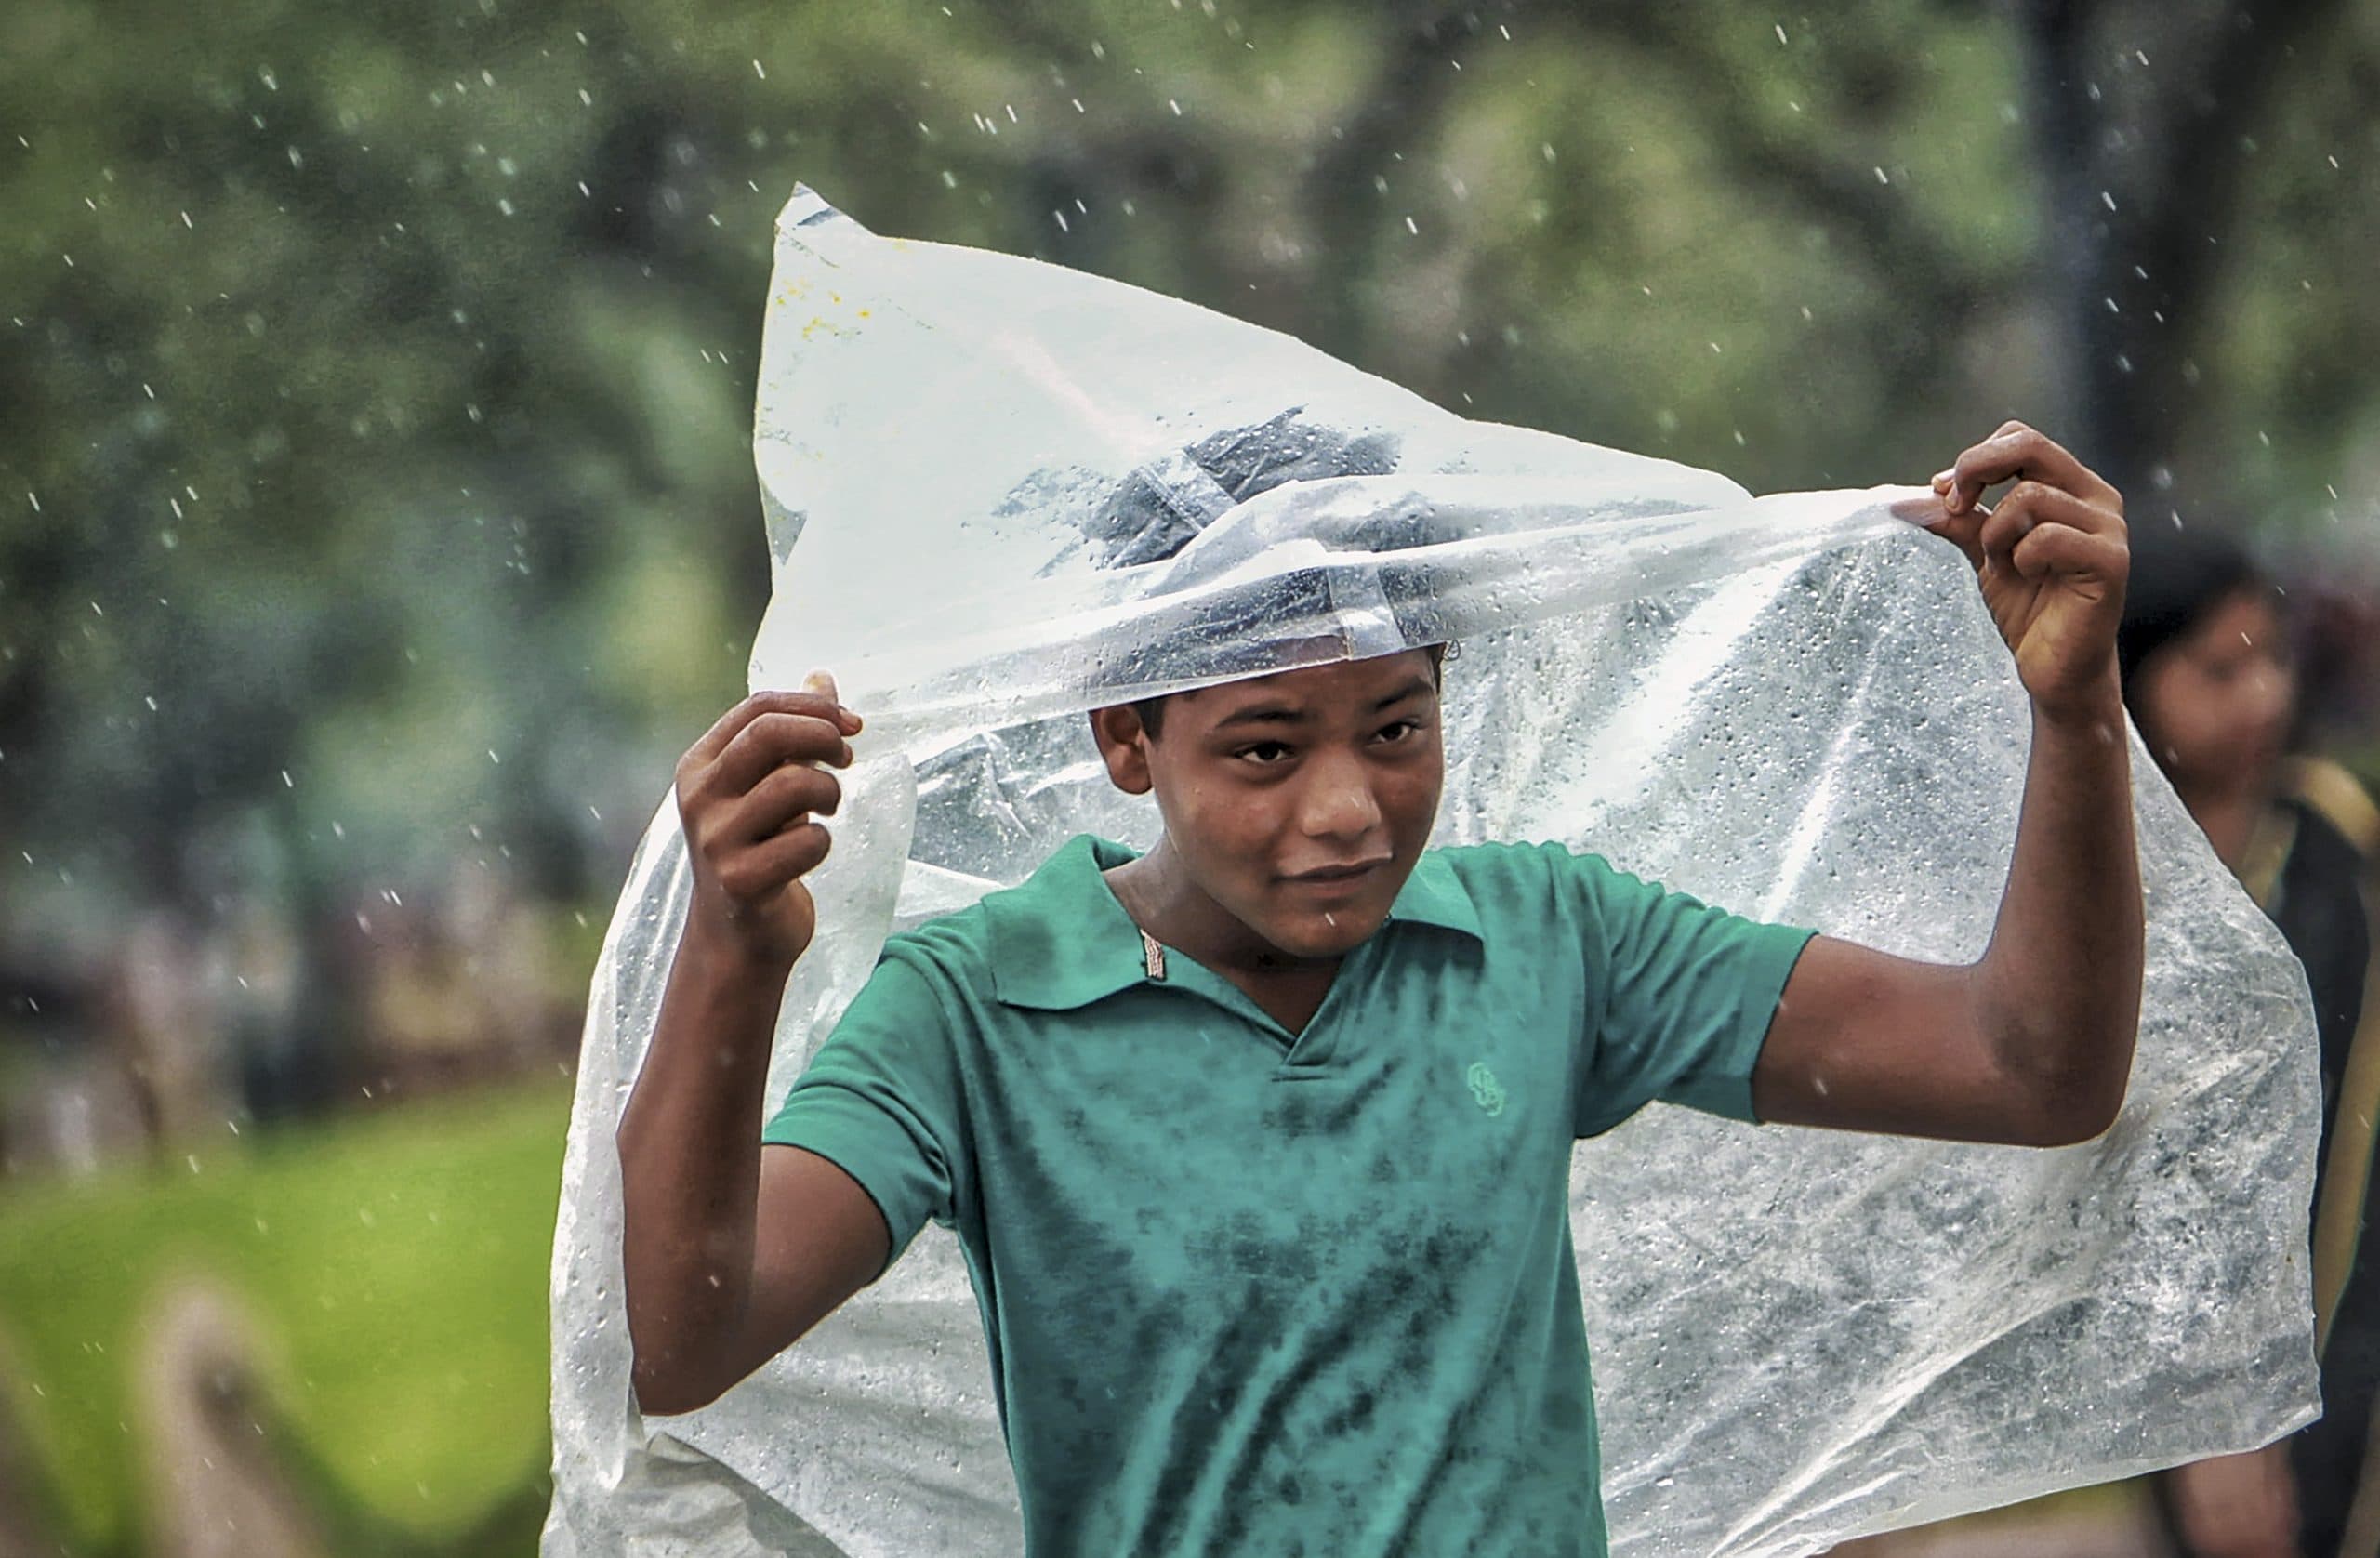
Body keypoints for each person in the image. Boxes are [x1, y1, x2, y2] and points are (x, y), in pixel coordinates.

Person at [617, 422, 2142, 1557]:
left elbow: (2030, 1070)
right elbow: (688, 1337)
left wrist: (2071, 717)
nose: (1346, 808)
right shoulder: (972, 1010)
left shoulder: (1543, 940)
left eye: (1397, 730)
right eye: (1268, 748)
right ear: (1125, 739)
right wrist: (734, 962)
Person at [2127, 534, 2380, 1558]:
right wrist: (2213, 1409)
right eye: (2219, 669)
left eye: (2272, 656)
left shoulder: (2331, 831)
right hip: (2176, 1335)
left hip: (2343, 1272)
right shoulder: (2103, 873)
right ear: (2126, 677)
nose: (2263, 694)